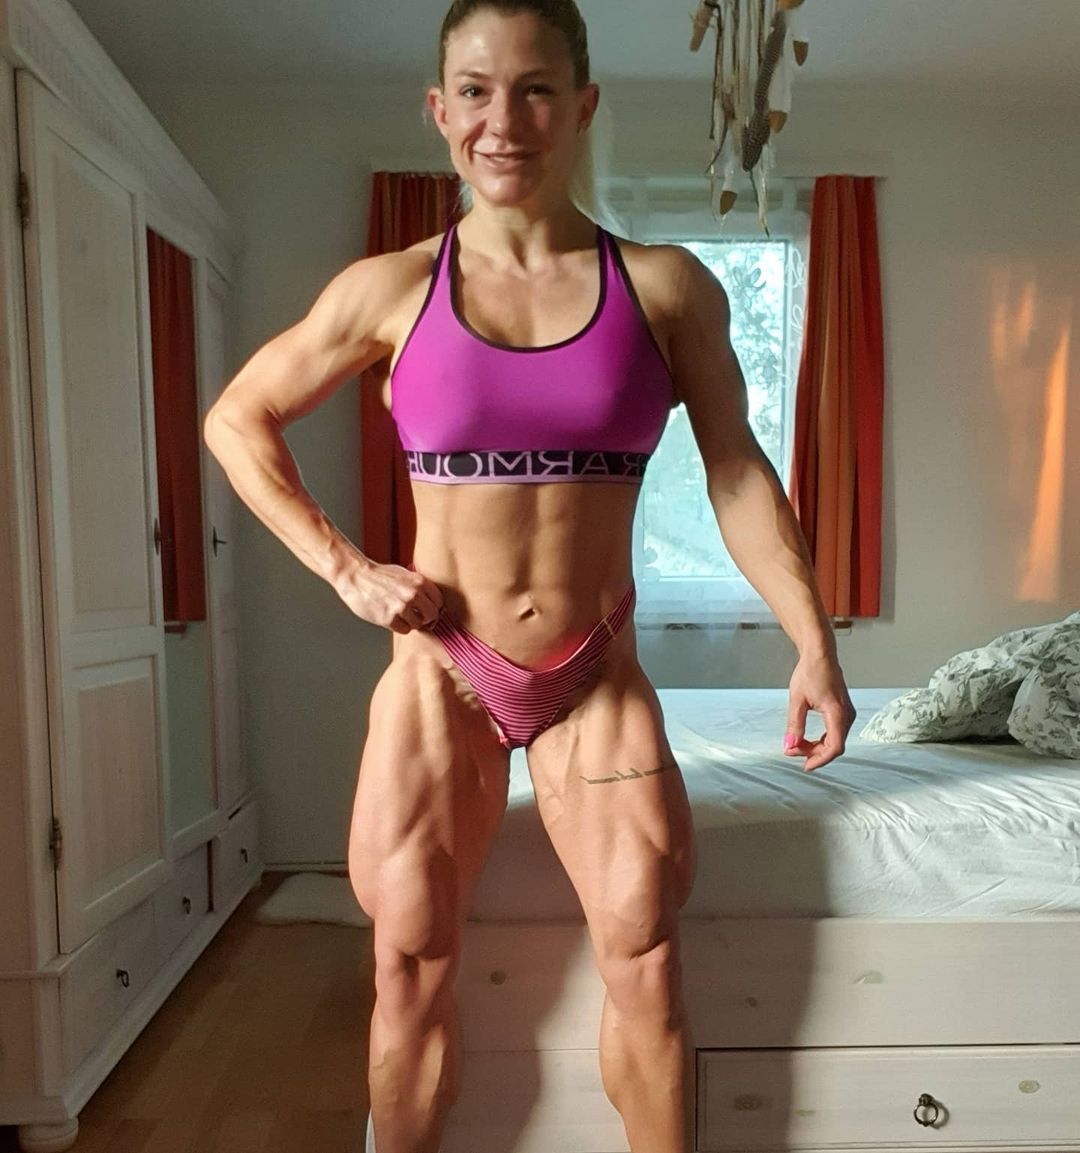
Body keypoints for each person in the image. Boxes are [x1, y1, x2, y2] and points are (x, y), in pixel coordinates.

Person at [204, 1, 857, 1149]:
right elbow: (236, 418)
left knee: (645, 955)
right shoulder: (390, 288)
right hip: (439, 671)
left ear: (583, 105)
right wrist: (347, 569)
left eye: (537, 89)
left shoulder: (664, 287)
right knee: (408, 958)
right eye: (476, 90)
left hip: (592, 671)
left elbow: (738, 470)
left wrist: (813, 638)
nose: (503, 121)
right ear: (439, 108)